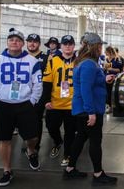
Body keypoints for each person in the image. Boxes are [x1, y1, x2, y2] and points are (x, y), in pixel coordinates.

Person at [0, 28, 43, 187]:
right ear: (7, 42)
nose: (14, 42)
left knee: (33, 137)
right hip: (4, 105)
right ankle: (7, 170)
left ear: (22, 43)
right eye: (11, 39)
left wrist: (32, 101)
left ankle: (31, 151)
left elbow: (38, 84)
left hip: (25, 104)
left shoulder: (32, 61)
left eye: (17, 40)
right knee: (5, 139)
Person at [63, 32, 117, 185]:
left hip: (83, 109)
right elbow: (85, 89)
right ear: (94, 47)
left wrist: (103, 79)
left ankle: (70, 169)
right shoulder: (88, 64)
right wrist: (91, 112)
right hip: (88, 110)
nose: (101, 48)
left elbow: (88, 84)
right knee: (95, 141)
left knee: (80, 138)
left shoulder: (85, 62)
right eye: (100, 45)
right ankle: (98, 174)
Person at [42, 35, 77, 166]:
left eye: (70, 43)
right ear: (60, 46)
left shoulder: (79, 61)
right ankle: (57, 141)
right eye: (65, 44)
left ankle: (67, 155)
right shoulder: (52, 61)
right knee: (51, 126)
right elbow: (46, 83)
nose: (67, 46)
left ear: (74, 46)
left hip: (72, 104)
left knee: (70, 132)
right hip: (55, 103)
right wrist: (46, 100)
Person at [23, 33, 49, 153]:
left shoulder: (46, 57)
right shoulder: (20, 56)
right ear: (26, 43)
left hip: (39, 93)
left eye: (35, 41)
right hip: (22, 94)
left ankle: (35, 145)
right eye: (30, 41)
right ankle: (27, 144)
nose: (32, 43)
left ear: (39, 43)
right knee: (23, 119)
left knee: (37, 119)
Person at [103, 46, 123, 113]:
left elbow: (119, 70)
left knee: (114, 92)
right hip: (107, 78)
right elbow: (104, 69)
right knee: (107, 92)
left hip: (114, 78)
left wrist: (111, 69)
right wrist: (104, 69)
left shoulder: (117, 59)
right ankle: (109, 106)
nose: (105, 53)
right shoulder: (106, 59)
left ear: (109, 51)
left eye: (106, 51)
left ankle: (115, 106)